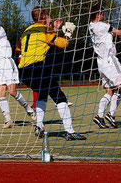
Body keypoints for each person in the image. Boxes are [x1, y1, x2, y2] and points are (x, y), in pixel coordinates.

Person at [18, 7, 86, 140]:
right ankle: (70, 131)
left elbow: (43, 42)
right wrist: (66, 33)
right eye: (48, 16)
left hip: (24, 72)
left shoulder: (27, 30)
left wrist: (54, 28)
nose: (51, 18)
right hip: (36, 67)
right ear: (43, 17)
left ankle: (39, 126)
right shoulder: (45, 29)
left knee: (43, 94)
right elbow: (62, 44)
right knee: (59, 96)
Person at [89, 5, 121, 128]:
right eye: (103, 14)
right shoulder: (103, 25)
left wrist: (110, 34)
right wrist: (120, 32)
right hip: (110, 60)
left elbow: (105, 36)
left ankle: (99, 116)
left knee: (110, 90)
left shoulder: (91, 26)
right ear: (98, 14)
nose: (104, 16)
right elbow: (118, 32)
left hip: (101, 62)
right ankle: (111, 114)